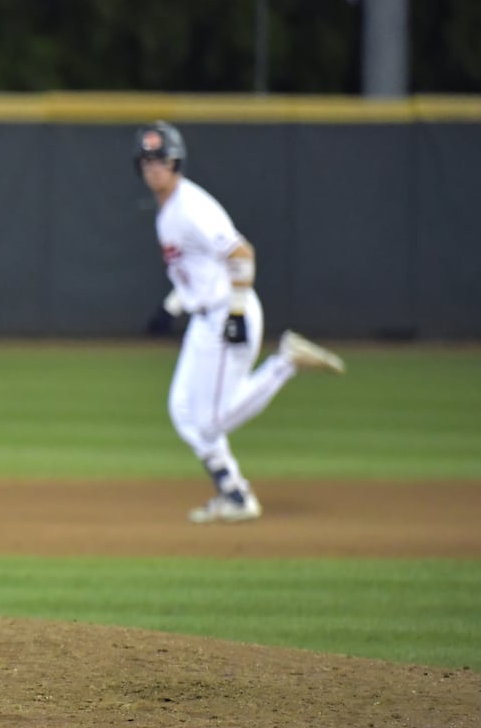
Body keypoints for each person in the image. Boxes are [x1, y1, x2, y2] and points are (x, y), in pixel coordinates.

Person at [133, 121, 346, 524]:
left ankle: (285, 360)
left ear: (176, 161)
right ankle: (234, 494)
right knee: (181, 411)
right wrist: (172, 306)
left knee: (210, 423)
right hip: (204, 317)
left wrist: (235, 311)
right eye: (146, 160)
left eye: (161, 159)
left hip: (228, 314)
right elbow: (199, 269)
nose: (154, 167)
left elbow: (241, 253)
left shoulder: (191, 208)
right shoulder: (167, 212)